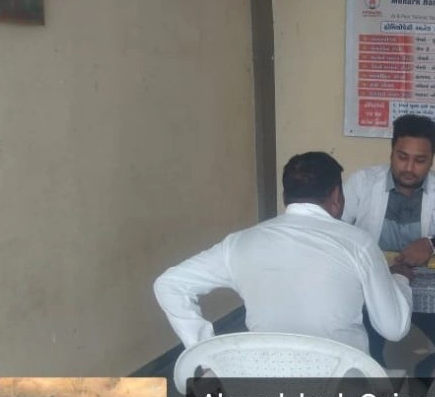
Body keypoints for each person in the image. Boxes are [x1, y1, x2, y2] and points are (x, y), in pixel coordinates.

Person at [153, 151, 412, 355]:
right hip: (342, 396)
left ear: (285, 196)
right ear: (336, 196)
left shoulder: (240, 243)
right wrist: (400, 279)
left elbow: (170, 284)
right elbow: (394, 328)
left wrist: (204, 352)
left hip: (266, 396)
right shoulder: (358, 243)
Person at [343, 114, 435, 366]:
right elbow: (335, 230)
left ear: (432, 159)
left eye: (420, 160)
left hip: (426, 290)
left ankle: (426, 386)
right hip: (373, 288)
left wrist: (431, 245)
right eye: (402, 157)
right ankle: (377, 386)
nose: (409, 168)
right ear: (392, 151)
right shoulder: (363, 182)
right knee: (364, 357)